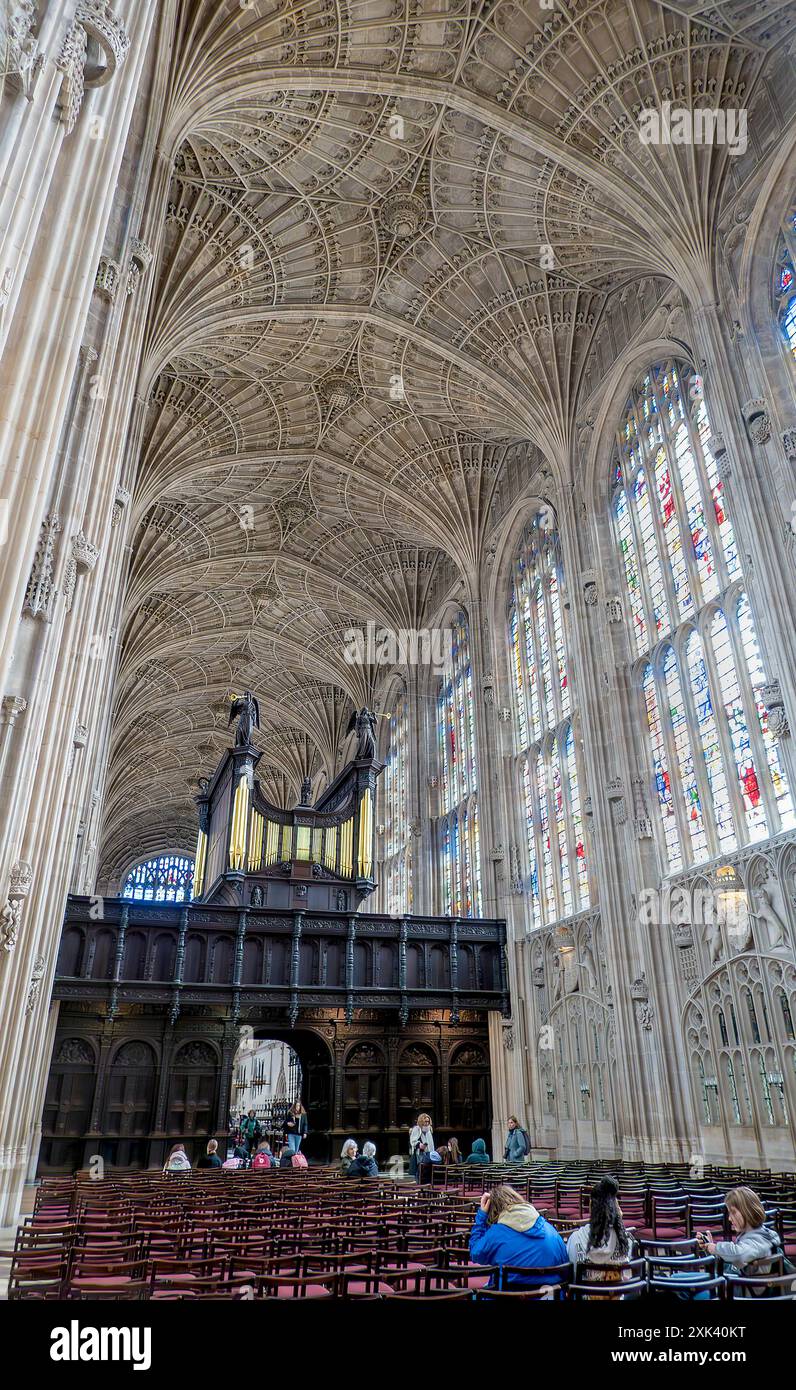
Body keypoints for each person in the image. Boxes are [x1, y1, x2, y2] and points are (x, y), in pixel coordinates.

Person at [469, 1185, 568, 1288]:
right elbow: (565, 1270)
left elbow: (475, 1254)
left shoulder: (495, 1234)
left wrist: (481, 1216)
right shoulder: (551, 1231)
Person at [699, 1187, 786, 1284]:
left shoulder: (758, 1239)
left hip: (741, 1292)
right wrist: (712, 1251)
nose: (729, 1218)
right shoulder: (759, 1235)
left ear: (747, 1211)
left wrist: (716, 1248)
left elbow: (740, 1254)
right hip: (736, 1286)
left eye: (733, 1212)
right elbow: (733, 1266)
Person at [567, 1176, 633, 1270]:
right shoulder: (627, 1240)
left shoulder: (576, 1239)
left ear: (591, 1207)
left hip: (586, 1285)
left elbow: (571, 1275)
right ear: (616, 1209)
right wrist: (618, 1221)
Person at [408, 1113, 434, 1179]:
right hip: (419, 1153)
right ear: (421, 1121)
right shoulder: (416, 1129)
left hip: (428, 1153)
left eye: (428, 1121)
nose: (427, 1123)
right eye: (425, 1121)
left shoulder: (429, 1129)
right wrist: (419, 1144)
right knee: (419, 1171)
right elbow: (413, 1141)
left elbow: (431, 1142)